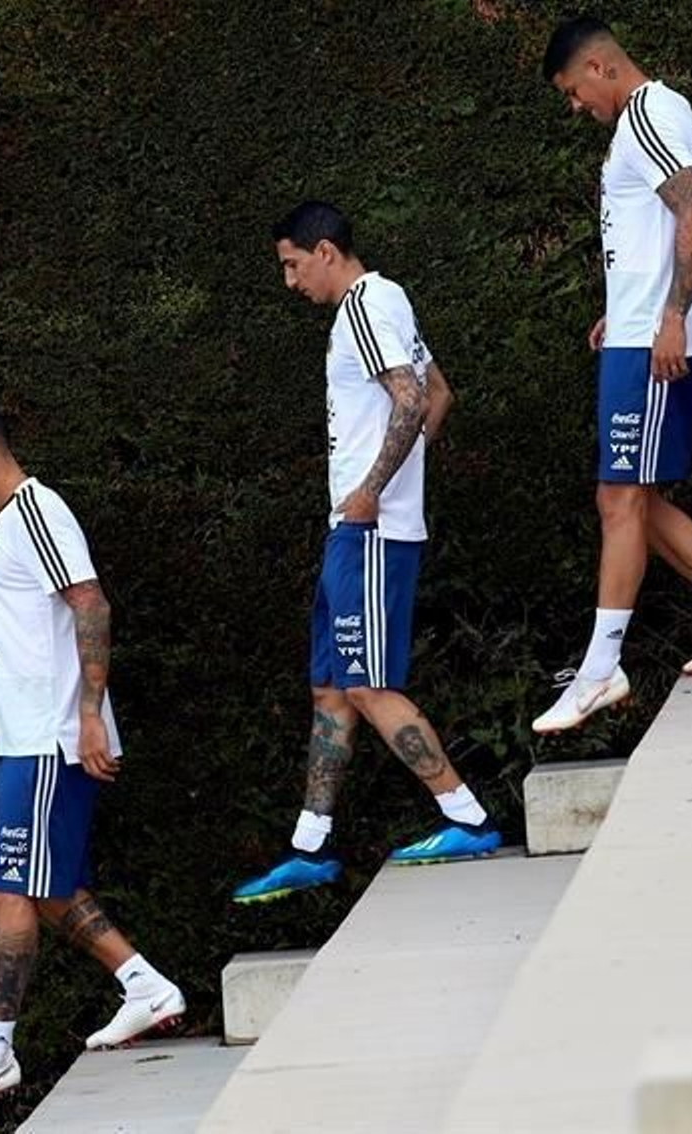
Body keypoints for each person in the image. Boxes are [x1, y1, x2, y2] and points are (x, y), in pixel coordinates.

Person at [0, 399, 185, 1118]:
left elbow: (91, 606)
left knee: (10, 891)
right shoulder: (9, 527)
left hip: (51, 743)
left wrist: (88, 715)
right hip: (27, 735)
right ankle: (145, 985)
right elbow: (34, 637)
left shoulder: (37, 513)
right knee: (45, 885)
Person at [232, 201, 502, 906]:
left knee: (369, 684)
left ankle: (467, 817)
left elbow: (412, 401)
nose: (291, 282)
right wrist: (398, 485)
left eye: (293, 265)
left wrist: (373, 492)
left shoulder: (361, 306)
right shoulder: (389, 299)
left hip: (368, 530)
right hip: (358, 527)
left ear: (325, 252)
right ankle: (310, 846)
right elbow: (440, 395)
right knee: (332, 686)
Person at [532, 16, 692, 735]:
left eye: (572, 91)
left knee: (619, 500)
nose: (575, 106)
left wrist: (669, 315)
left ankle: (599, 671)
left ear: (600, 67)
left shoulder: (646, 113)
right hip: (638, 334)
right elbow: (660, 230)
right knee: (629, 499)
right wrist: (629, 307)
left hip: (653, 343)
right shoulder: (651, 117)